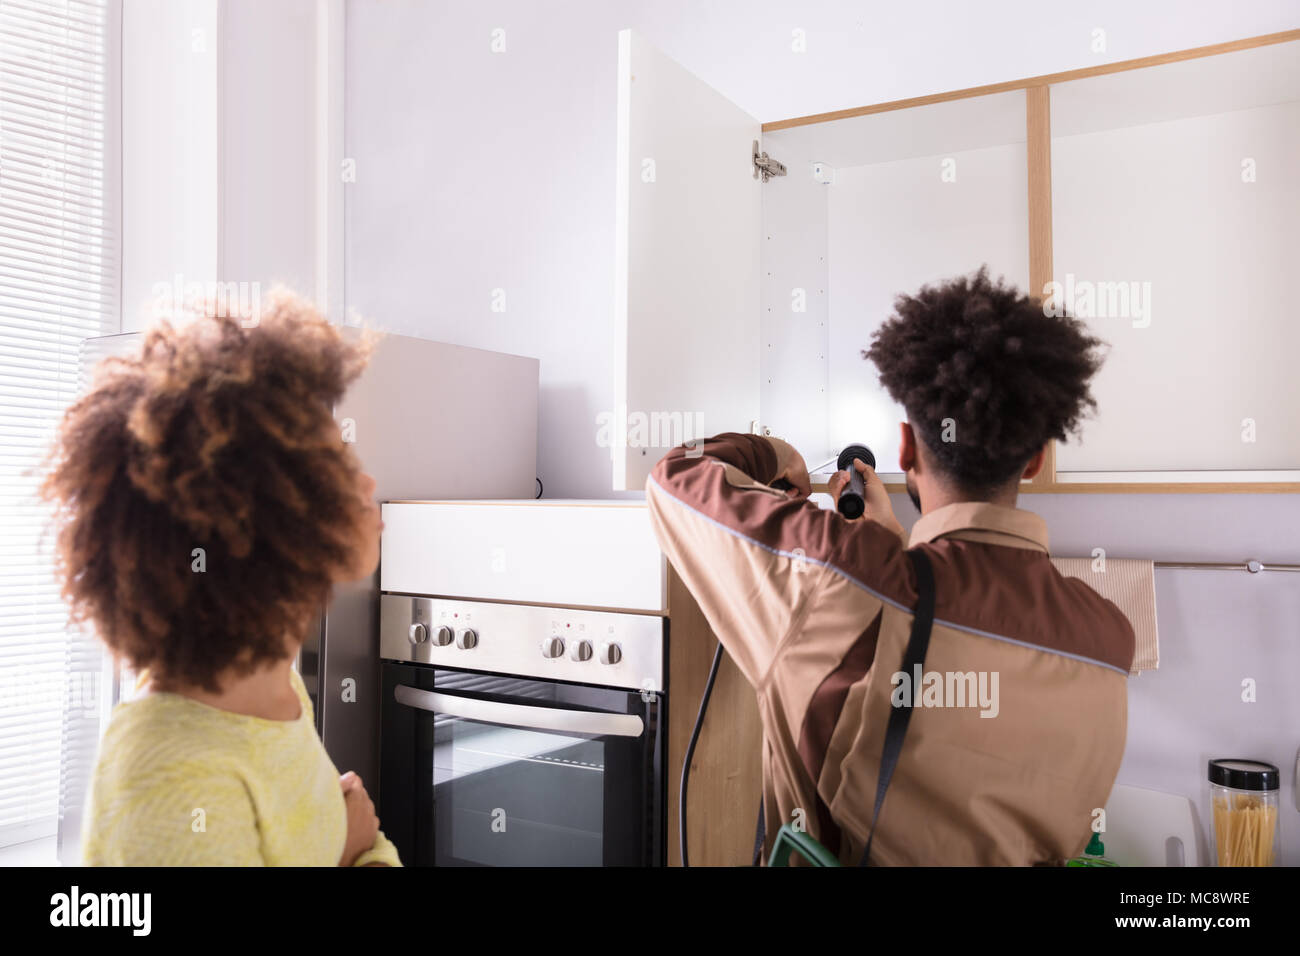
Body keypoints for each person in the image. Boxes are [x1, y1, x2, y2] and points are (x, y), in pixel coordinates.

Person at [645, 266, 1136, 865]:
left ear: (905, 448)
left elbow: (676, 479)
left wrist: (779, 452)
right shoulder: (1108, 640)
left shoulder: (841, 578)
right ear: (1034, 460)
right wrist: (893, 554)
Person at [41, 290, 399, 866]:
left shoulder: (274, 682)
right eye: (336, 464)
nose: (365, 482)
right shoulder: (167, 779)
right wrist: (358, 855)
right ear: (257, 530)